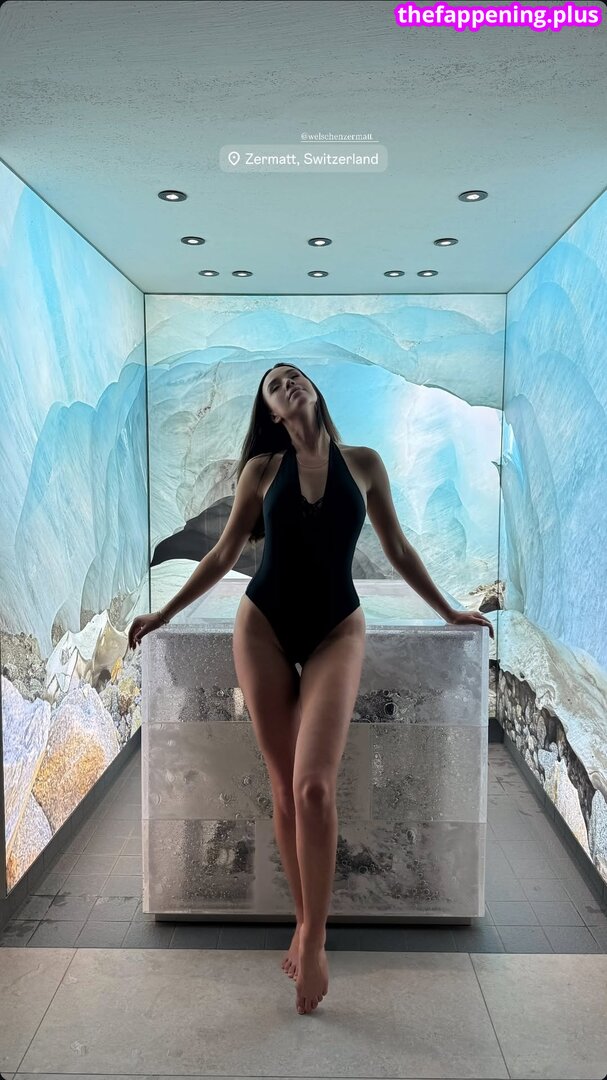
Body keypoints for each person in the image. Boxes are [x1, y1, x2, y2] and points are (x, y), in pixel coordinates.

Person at [128, 363, 494, 1016]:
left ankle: (315, 938)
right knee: (283, 788)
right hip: (263, 628)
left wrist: (449, 611)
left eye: (294, 376)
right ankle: (304, 921)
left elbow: (399, 550)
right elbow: (222, 555)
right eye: (275, 384)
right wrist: (163, 614)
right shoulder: (261, 472)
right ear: (271, 412)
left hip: (336, 631)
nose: (288, 384)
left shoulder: (364, 464)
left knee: (314, 787)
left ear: (315, 391)